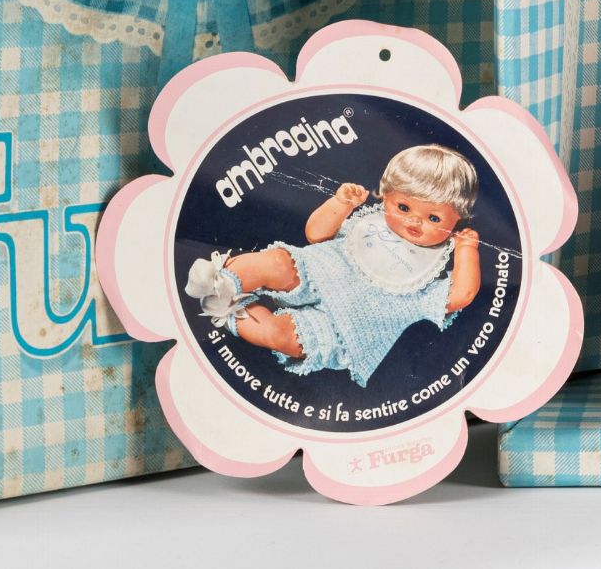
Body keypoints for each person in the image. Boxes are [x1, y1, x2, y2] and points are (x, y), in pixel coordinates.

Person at [187, 144, 484, 389]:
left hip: (343, 327)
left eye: (434, 218)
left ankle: (228, 312)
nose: (414, 221)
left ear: (457, 219)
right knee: (277, 262)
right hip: (317, 272)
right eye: (403, 207)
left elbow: (461, 295)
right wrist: (341, 205)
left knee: (281, 336)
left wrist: (466, 251)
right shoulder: (367, 225)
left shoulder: (426, 279)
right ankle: (222, 280)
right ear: (386, 196)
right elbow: (316, 234)